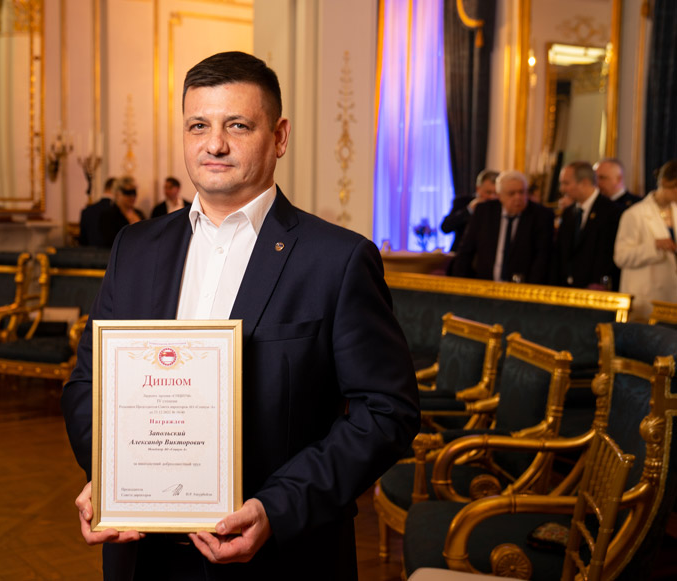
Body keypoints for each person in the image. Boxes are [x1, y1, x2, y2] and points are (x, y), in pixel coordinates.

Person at [61, 51, 420, 580]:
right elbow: (87, 384)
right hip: (142, 555)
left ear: (279, 136)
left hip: (281, 559)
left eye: (237, 125)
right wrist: (111, 475)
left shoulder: (337, 260)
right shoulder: (133, 247)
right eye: (198, 126)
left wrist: (278, 507)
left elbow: (387, 412)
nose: (214, 144)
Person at [451, 170, 554, 283]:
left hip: (523, 286)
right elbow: (466, 251)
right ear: (499, 195)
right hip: (485, 284)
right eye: (511, 193)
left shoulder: (541, 215)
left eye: (522, 192)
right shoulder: (484, 212)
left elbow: (542, 258)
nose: (518, 197)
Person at [614, 159, 677, 320]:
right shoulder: (634, 214)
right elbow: (621, 257)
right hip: (646, 298)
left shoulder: (675, 210)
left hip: (671, 296)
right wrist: (655, 246)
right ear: (665, 183)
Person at [552, 161, 621, 289]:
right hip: (567, 288)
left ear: (584, 183)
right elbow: (561, 253)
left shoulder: (611, 211)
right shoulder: (568, 213)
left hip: (595, 289)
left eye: (566, 183)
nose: (562, 189)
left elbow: (609, 253)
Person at [440, 169, 499, 252]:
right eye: (488, 192)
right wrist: (469, 210)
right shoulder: (462, 202)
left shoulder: (502, 207)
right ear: (478, 189)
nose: (492, 197)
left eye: (496, 193)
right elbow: (445, 227)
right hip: (461, 253)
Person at [92, 176, 146, 249]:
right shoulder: (108, 215)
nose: (132, 196)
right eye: (127, 193)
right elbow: (110, 241)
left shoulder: (139, 213)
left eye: (134, 192)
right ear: (117, 194)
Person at [79, 177, 117, 247]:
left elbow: (83, 241)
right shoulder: (117, 211)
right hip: (110, 252)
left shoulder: (87, 211)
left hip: (89, 252)